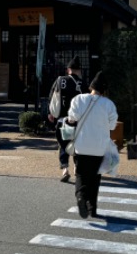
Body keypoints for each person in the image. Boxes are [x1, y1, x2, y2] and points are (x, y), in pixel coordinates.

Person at [66, 70, 118, 219]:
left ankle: (81, 196)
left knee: (81, 175)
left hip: (81, 145)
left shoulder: (78, 99)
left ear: (92, 87)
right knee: (95, 177)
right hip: (99, 147)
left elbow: (72, 118)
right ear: (104, 89)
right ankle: (92, 209)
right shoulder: (108, 104)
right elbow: (113, 126)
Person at [47, 57, 87, 182]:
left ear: (68, 69)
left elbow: (52, 96)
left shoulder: (60, 80)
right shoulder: (82, 83)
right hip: (77, 120)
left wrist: (51, 113)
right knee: (77, 144)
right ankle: (77, 167)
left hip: (62, 120)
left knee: (63, 144)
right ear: (79, 70)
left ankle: (65, 169)